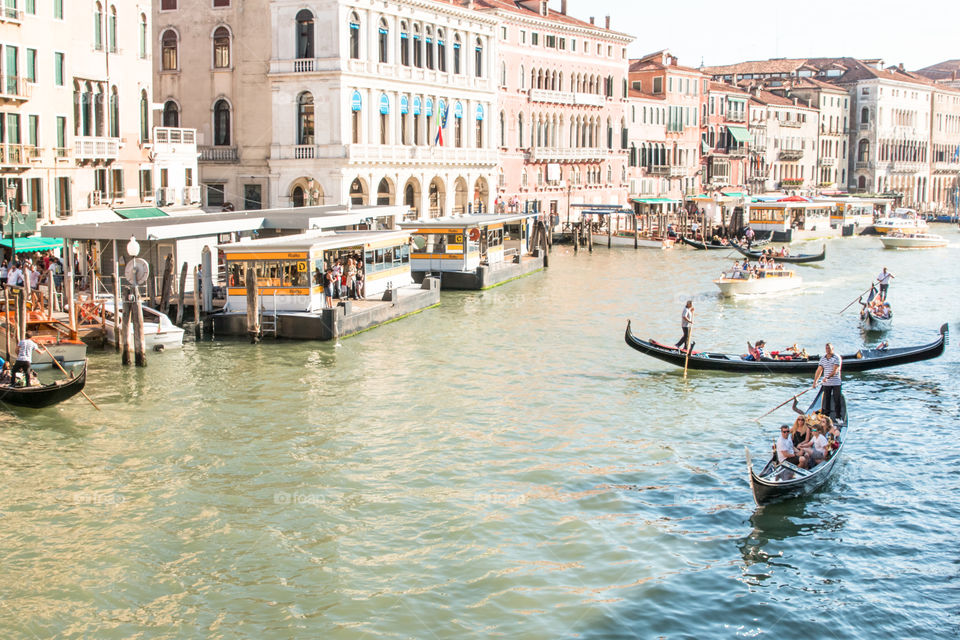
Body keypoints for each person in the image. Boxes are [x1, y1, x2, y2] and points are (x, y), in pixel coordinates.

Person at [813, 342, 842, 422]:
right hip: (827, 383)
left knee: (837, 400)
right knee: (826, 400)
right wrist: (815, 382)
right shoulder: (823, 358)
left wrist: (827, 377)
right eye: (826, 348)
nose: (828, 350)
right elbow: (819, 370)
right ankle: (826, 417)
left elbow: (835, 370)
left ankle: (838, 417)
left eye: (829, 348)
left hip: (836, 383)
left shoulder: (837, 357)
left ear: (832, 348)